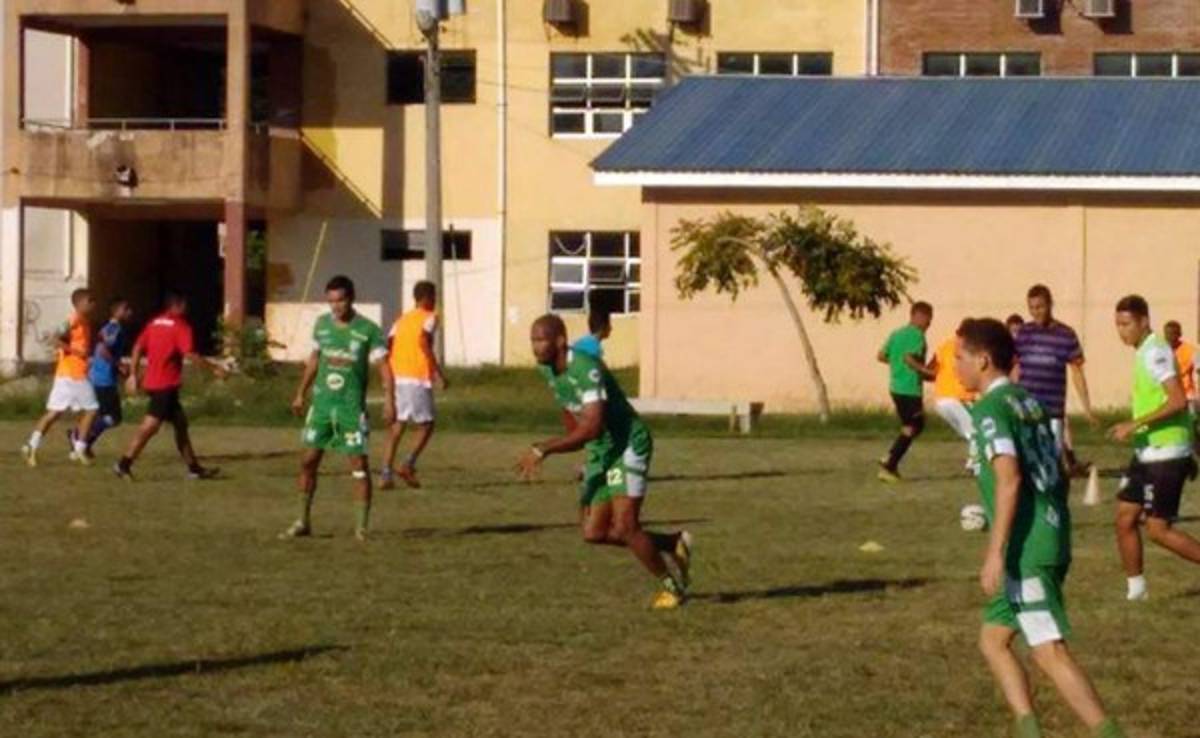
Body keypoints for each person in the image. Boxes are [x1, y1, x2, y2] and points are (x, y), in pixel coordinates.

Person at [956, 317, 1126, 738]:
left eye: (959, 357)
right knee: (993, 640)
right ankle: (1029, 730)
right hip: (1048, 533)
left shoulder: (991, 409)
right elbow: (1058, 469)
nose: (954, 365)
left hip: (1027, 546)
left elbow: (1010, 478)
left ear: (983, 360)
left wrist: (995, 552)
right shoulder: (1027, 402)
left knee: (1049, 651)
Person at [517, 314, 692, 610]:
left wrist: (543, 449)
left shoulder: (586, 368)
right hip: (602, 450)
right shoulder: (546, 369)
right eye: (532, 340)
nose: (535, 346)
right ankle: (672, 543)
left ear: (560, 340)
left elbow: (594, 426)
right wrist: (582, 450)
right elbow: (572, 414)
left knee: (625, 526)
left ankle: (672, 587)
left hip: (627, 444)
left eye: (541, 339)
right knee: (593, 532)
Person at [282, 276, 393, 541]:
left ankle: (361, 528)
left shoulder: (368, 330)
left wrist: (390, 399)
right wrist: (300, 393)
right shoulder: (322, 326)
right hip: (321, 407)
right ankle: (302, 520)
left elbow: (385, 368)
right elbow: (314, 359)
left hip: (350, 409)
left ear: (351, 298)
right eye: (331, 301)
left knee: (358, 465)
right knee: (308, 461)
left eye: (340, 300)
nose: (335, 306)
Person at [1108, 296, 1200, 602]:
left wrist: (1134, 425)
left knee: (1158, 529)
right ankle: (1137, 592)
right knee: (1124, 518)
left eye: (1126, 324)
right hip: (1148, 451)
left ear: (1144, 321)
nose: (1122, 331)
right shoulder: (1144, 352)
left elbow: (1177, 400)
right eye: (1118, 325)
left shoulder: (1156, 351)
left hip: (1166, 450)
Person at [113, 292, 226, 481]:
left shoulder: (154, 323)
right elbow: (189, 354)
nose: (187, 309)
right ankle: (124, 464)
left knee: (180, 424)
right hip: (164, 385)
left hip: (155, 382)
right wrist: (214, 368)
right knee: (150, 426)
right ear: (178, 306)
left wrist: (133, 374)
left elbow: (138, 347)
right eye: (185, 305)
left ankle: (194, 468)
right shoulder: (181, 326)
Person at [1015, 285, 1097, 475]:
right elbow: (1014, 367)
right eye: (1032, 308)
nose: (1036, 312)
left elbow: (1077, 372)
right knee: (1027, 459)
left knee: (1052, 460)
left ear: (1050, 305)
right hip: (1027, 408)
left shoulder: (1066, 334)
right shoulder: (1024, 333)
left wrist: (1087, 408)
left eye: (1040, 307)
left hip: (1052, 410)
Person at [380, 281, 447, 490]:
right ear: (426, 298)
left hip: (398, 376)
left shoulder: (401, 320)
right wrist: (438, 373)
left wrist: (387, 376)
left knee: (397, 427)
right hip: (416, 377)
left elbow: (388, 346)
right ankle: (407, 465)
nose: (435, 302)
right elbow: (423, 342)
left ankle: (385, 474)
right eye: (434, 297)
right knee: (427, 425)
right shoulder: (430, 318)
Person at [22, 288, 99, 467]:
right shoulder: (74, 319)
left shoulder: (84, 321)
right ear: (80, 303)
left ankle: (30, 445)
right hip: (73, 374)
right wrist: (75, 351)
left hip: (66, 373)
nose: (93, 304)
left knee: (54, 413)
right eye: (90, 301)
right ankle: (79, 449)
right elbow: (55, 338)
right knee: (92, 409)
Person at [877, 302, 935, 483]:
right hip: (909, 389)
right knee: (914, 426)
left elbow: (881, 355)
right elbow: (909, 358)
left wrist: (897, 366)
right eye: (928, 319)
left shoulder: (897, 333)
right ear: (919, 316)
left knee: (911, 426)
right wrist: (926, 371)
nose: (929, 324)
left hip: (895, 387)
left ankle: (890, 458)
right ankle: (889, 464)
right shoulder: (916, 335)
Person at [79, 297, 134, 457]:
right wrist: (119, 365)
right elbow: (103, 350)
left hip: (101, 376)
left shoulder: (110, 328)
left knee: (100, 413)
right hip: (103, 378)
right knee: (112, 417)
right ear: (118, 311)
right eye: (127, 309)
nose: (130, 313)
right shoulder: (114, 329)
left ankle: (81, 438)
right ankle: (80, 438)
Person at [927, 319, 976, 472]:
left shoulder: (945, 346)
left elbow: (931, 370)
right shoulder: (971, 349)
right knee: (976, 430)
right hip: (957, 397)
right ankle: (975, 464)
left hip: (941, 398)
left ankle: (974, 460)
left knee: (970, 431)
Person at [1163, 320, 1197, 408]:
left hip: (1187, 395)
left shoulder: (1190, 351)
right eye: (1167, 334)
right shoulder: (1161, 351)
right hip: (1167, 395)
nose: (1169, 337)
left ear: (1179, 334)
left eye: (1173, 334)